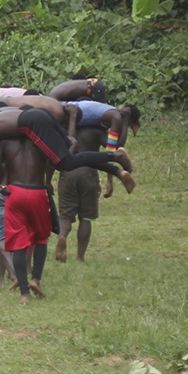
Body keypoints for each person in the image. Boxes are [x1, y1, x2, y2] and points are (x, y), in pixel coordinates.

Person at [0, 107, 135, 189]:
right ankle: (117, 170)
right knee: (74, 156)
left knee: (64, 163)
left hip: (31, 123)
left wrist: (3, 183)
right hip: (38, 115)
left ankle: (116, 156)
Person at [55, 102, 139, 262]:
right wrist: (110, 180)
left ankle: (62, 236)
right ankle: (80, 257)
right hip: (89, 173)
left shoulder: (68, 126)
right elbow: (115, 148)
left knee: (65, 215)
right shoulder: (98, 130)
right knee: (86, 217)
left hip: (68, 172)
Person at [0, 134, 53, 304]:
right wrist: (48, 182)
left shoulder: (5, 140)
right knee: (41, 238)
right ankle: (35, 279)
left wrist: (3, 181)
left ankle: (24, 294)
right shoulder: (42, 141)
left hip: (15, 192)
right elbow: (56, 161)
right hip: (37, 191)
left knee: (19, 242)